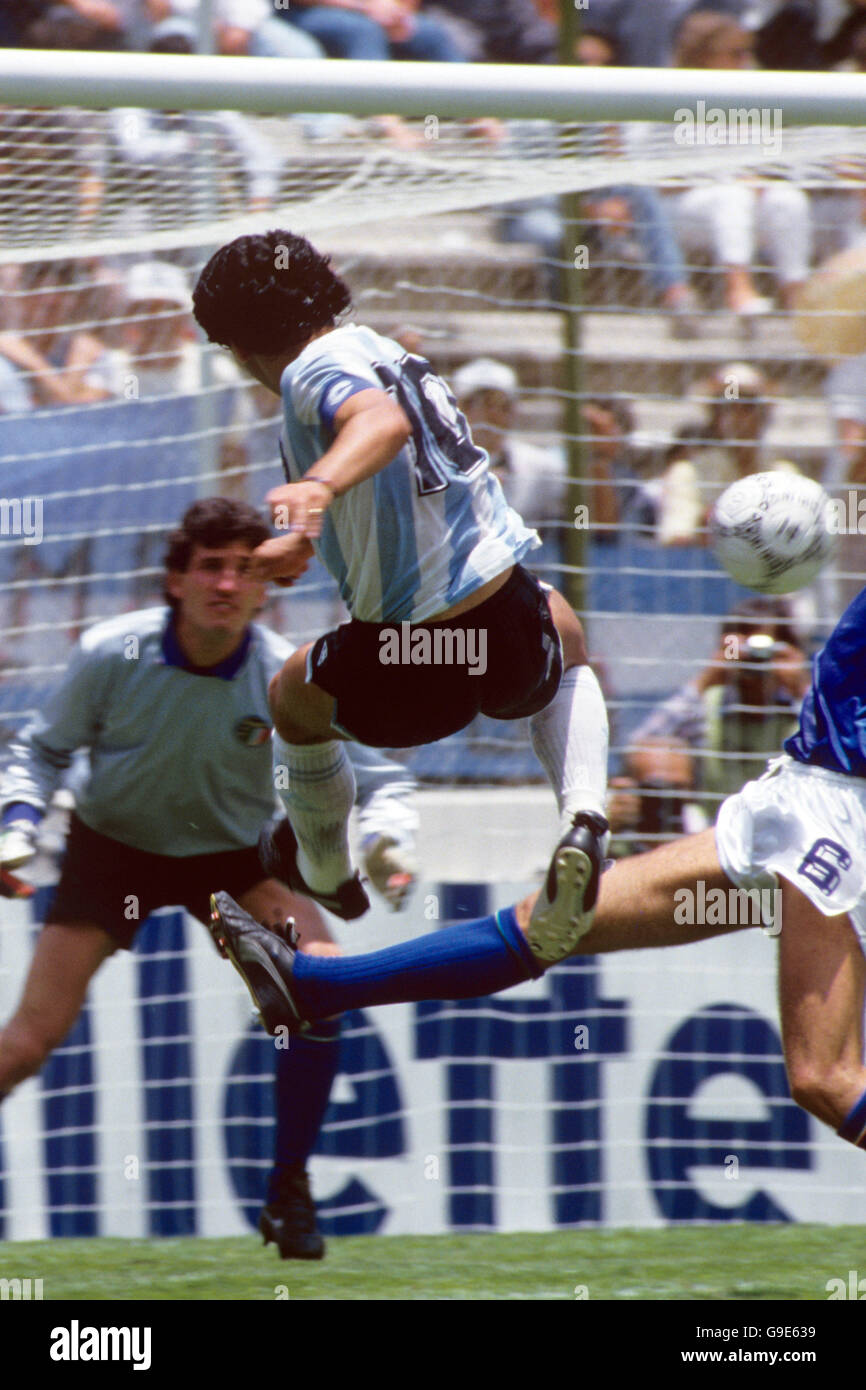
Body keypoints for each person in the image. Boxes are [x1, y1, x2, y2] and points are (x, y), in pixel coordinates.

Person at [211, 575, 866, 1157]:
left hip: (835, 816)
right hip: (795, 798)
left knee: (825, 1077)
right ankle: (316, 988)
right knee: (556, 922)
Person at [0, 497, 419, 1260]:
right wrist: (16, 823)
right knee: (26, 1045)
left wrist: (390, 838)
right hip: (111, 849)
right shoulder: (108, 653)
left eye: (245, 570)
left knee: (323, 986)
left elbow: (382, 776)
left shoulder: (286, 674)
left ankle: (288, 1189)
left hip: (232, 860)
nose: (226, 584)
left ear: (268, 588)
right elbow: (40, 749)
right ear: (175, 581)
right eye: (210, 567)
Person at [191, 229, 612, 955]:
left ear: (241, 343)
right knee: (565, 633)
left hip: (411, 661)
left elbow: (377, 424)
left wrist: (319, 484)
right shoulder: (387, 351)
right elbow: (400, 473)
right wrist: (302, 540)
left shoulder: (310, 371)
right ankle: (585, 815)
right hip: (507, 638)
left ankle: (322, 864)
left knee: (293, 695)